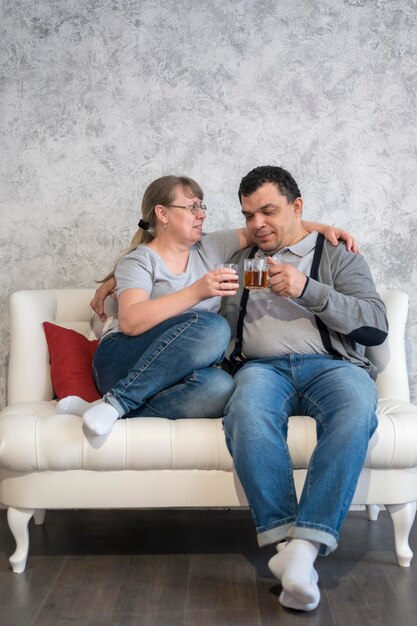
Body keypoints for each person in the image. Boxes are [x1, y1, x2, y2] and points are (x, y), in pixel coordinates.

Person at [66, 173, 356, 438]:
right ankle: (118, 399)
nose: (201, 215)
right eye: (192, 207)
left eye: (202, 207)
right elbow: (130, 321)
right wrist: (196, 292)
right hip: (121, 360)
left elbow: (269, 228)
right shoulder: (140, 260)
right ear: (162, 213)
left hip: (169, 376)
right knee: (213, 326)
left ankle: (106, 409)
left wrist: (325, 229)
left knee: (221, 387)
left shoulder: (211, 246)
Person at [220, 165, 388, 612]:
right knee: (246, 413)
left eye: (269, 211)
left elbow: (375, 323)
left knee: (355, 410)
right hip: (261, 369)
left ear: (297, 207)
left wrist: (308, 289)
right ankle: (285, 550)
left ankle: (305, 549)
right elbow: (174, 254)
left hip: (332, 368)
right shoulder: (240, 259)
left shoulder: (337, 253)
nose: (258, 223)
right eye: (249, 214)